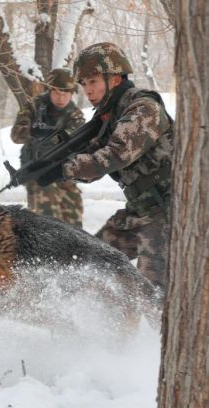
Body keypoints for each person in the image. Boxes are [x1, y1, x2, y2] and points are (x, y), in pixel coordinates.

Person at [41, 42, 173, 293]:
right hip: (138, 212)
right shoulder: (108, 117)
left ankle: (166, 333)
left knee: (153, 296)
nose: (87, 91)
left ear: (114, 79)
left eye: (92, 81)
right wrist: (51, 163)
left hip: (168, 213)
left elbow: (115, 155)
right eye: (83, 84)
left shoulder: (143, 107)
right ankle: (105, 326)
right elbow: (93, 160)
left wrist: (66, 169)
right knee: (89, 263)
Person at [10, 68, 86, 227]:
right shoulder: (34, 107)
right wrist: (32, 131)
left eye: (66, 93)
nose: (61, 98)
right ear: (49, 90)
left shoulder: (75, 114)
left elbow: (78, 141)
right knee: (47, 224)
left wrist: (54, 139)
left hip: (63, 173)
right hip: (37, 172)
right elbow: (16, 136)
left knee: (75, 226)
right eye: (57, 92)